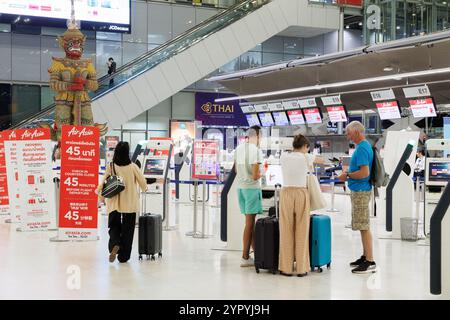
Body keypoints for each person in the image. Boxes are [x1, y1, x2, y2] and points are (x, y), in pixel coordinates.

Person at [279, 134, 323, 277]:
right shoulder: (306, 157)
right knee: (302, 230)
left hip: (285, 193)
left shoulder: (283, 156)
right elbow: (322, 161)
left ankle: (286, 267)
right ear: (305, 147)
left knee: (285, 229)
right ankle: (302, 268)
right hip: (301, 193)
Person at [97, 141, 147, 263]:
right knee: (128, 230)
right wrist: (145, 188)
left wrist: (100, 197)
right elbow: (143, 183)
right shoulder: (133, 166)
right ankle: (123, 257)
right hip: (130, 203)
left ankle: (115, 243)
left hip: (114, 202)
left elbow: (103, 182)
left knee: (113, 226)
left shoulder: (111, 165)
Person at [338, 121, 377, 274]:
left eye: (349, 133)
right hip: (360, 190)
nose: (348, 136)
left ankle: (370, 261)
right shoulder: (364, 146)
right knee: (361, 225)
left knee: (364, 226)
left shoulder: (361, 149)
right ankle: (365, 255)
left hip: (361, 190)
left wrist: (347, 175)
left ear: (356, 132)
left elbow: (364, 173)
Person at [234, 125, 263, 267]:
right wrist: (261, 173)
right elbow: (255, 175)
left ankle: (255, 254)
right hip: (251, 189)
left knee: (249, 223)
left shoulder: (238, 149)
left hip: (240, 189)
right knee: (250, 224)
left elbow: (235, 169)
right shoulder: (256, 151)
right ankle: (245, 257)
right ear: (257, 136)